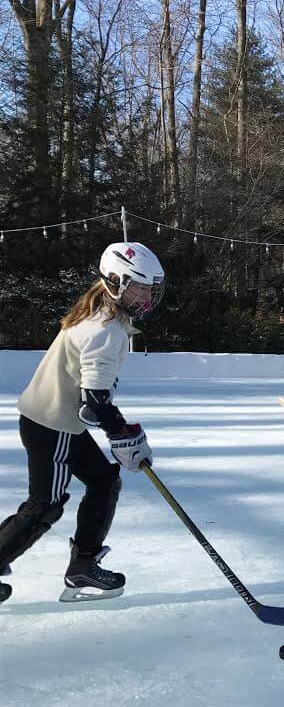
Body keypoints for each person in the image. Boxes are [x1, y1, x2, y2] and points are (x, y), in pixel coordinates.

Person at [0, 242, 164, 604]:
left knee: (104, 481)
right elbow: (95, 398)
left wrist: (120, 432)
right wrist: (123, 435)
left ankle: (83, 567)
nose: (146, 295)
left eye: (150, 287)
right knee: (45, 504)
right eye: (138, 286)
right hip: (53, 424)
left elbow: (93, 399)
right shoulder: (104, 327)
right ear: (115, 280)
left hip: (60, 422)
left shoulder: (103, 312)